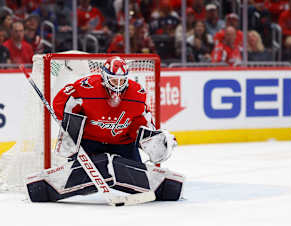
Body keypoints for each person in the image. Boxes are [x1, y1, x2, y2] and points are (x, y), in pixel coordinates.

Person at [25, 56, 184, 203]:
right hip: (90, 142)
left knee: (137, 180)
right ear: (104, 77)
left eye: (122, 81)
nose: (118, 86)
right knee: (75, 174)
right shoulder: (86, 87)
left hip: (123, 144)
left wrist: (155, 138)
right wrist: (69, 124)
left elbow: (143, 122)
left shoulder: (137, 94)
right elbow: (61, 102)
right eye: (114, 81)